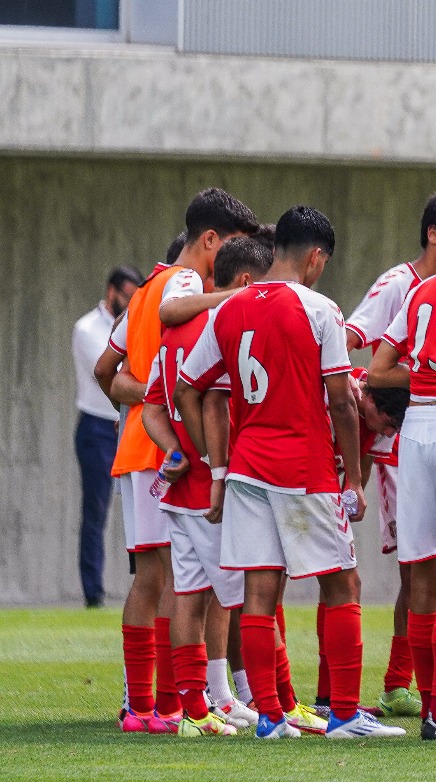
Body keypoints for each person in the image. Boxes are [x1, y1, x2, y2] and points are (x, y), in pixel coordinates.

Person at [176, 205, 403, 740]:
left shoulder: (227, 311)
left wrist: (217, 465)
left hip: (248, 470)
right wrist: (351, 480)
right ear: (316, 257)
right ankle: (346, 714)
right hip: (304, 467)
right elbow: (342, 402)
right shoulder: (319, 309)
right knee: (342, 582)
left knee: (259, 590)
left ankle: (272, 721)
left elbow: (190, 388)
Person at [95, 187, 258, 734]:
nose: (233, 263)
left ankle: (141, 703)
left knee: (153, 578)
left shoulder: (142, 291)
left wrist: (146, 395)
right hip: (172, 454)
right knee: (180, 581)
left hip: (138, 448)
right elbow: (175, 323)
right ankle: (171, 702)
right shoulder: (185, 284)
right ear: (210, 240)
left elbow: (107, 373)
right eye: (231, 247)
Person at [345, 191, 436, 718]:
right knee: (419, 567)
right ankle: (402, 686)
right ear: (432, 234)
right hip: (396, 442)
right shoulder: (398, 283)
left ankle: (412, 686)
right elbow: (351, 337)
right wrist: (367, 397)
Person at [139, 236, 267, 736]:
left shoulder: (173, 333)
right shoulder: (217, 326)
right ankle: (246, 700)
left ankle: (196, 709)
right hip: (211, 489)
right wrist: (217, 466)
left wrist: (174, 452)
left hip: (179, 487)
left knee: (190, 594)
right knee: (236, 595)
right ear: (245, 282)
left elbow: (152, 405)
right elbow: (211, 403)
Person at [73, 265, 142, 608]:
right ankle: (93, 593)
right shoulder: (86, 328)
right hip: (98, 427)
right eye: (127, 296)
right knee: (96, 510)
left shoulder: (129, 325)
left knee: (141, 504)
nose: (131, 303)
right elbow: (113, 370)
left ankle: (140, 582)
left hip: (125, 421)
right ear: (112, 292)